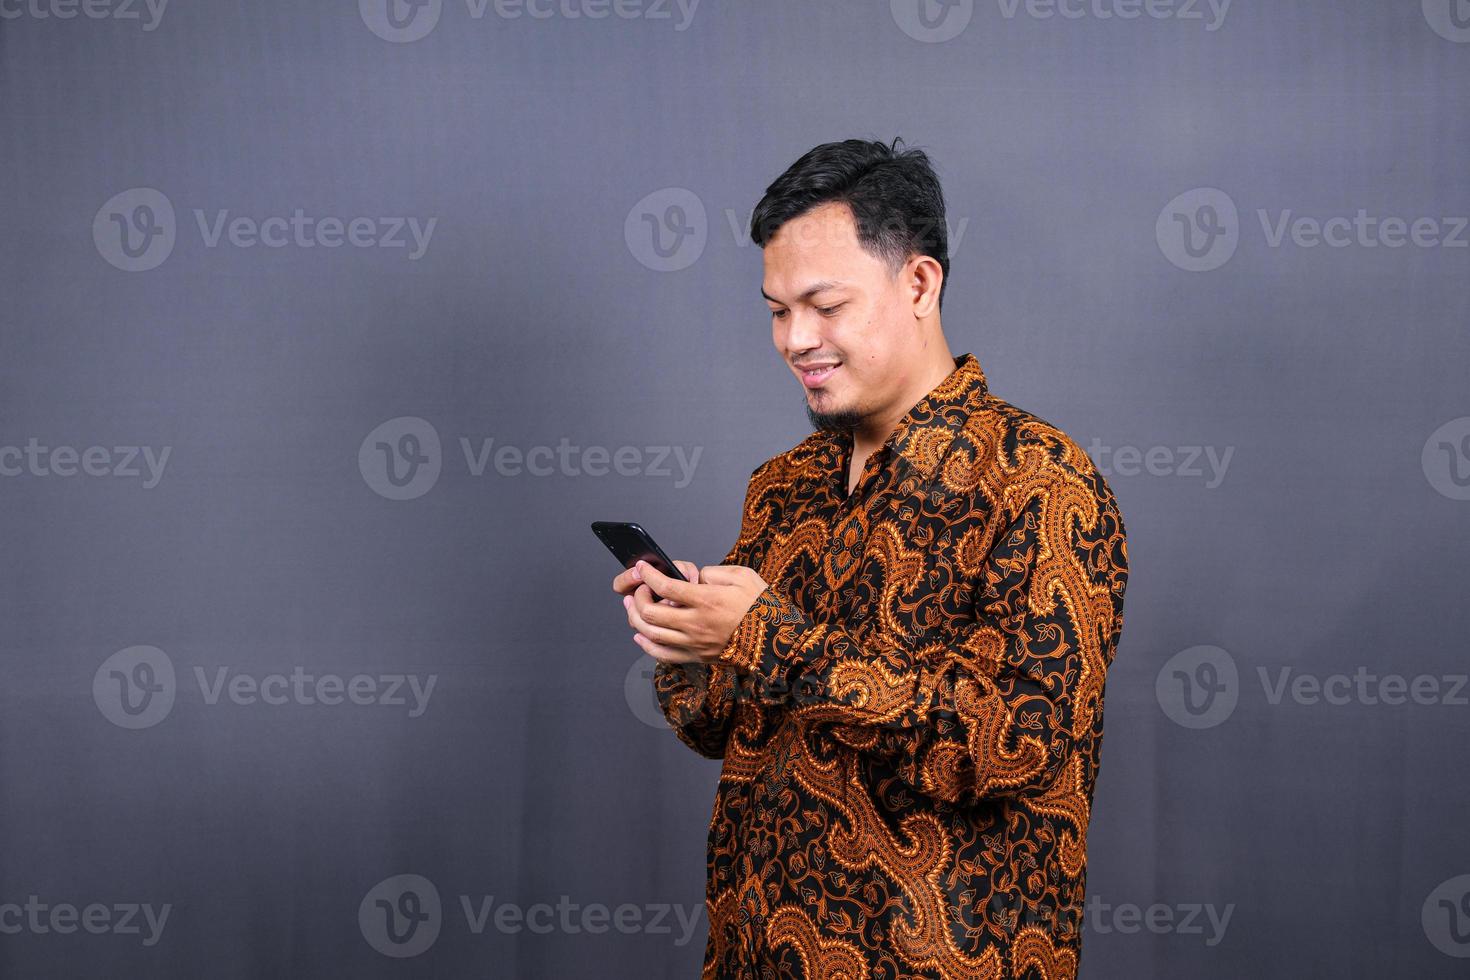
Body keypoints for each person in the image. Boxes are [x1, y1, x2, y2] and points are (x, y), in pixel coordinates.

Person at [611, 137, 1129, 980]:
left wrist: (769, 639)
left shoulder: (1038, 480)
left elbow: (1006, 744)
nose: (794, 338)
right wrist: (688, 640)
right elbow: (717, 728)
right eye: (777, 309)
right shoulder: (786, 486)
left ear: (919, 283)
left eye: (824, 304)